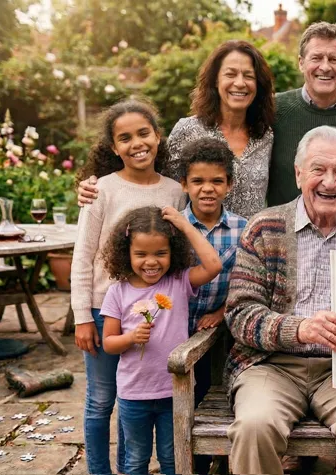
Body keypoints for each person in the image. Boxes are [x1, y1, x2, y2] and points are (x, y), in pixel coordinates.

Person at [223, 126, 336, 475]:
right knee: (254, 424)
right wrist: (300, 329)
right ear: (299, 174)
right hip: (272, 365)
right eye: (318, 169)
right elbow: (240, 314)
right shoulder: (265, 227)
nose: (329, 182)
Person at [71, 99, 186, 475]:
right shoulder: (100, 190)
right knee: (102, 400)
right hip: (105, 311)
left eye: (143, 133)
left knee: (134, 395)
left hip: (158, 317)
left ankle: (128, 467)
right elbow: (83, 256)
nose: (136, 143)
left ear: (157, 136)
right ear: (113, 147)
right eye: (125, 137)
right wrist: (81, 317)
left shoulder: (174, 192)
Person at [78, 40, 276, 219]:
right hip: (193, 250)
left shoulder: (265, 136)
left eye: (248, 76)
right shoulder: (188, 130)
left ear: (258, 84)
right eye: (230, 74)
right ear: (215, 81)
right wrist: (97, 185)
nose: (240, 83)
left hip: (252, 252)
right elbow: (151, 177)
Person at [101, 206, 222, 475]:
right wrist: (131, 338)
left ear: (173, 252)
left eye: (161, 253)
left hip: (175, 393)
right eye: (140, 254)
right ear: (126, 253)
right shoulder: (117, 292)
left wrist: (185, 225)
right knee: (135, 460)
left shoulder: (178, 282)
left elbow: (214, 265)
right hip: (134, 393)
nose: (151, 262)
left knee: (173, 459)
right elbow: (108, 343)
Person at [267, 22, 336, 208]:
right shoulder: (273, 110)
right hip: (281, 232)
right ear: (301, 63)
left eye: (333, 59)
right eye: (316, 58)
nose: (325, 67)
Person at [178, 137, 248, 406]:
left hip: (219, 331)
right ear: (185, 184)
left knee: (209, 388)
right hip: (176, 327)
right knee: (176, 394)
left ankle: (208, 449)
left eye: (217, 181)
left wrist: (221, 313)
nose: (207, 189)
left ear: (229, 185)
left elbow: (245, 283)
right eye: (198, 182)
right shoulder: (174, 226)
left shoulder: (243, 229)